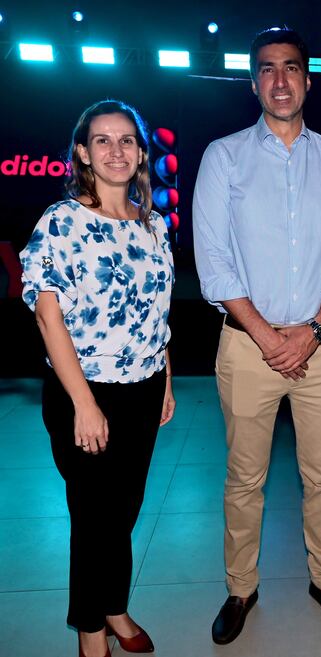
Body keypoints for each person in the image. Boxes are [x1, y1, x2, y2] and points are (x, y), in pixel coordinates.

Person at [193, 26, 321, 644]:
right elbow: (213, 262)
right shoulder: (223, 157)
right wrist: (270, 338)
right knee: (246, 478)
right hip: (247, 346)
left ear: (307, 78)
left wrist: (314, 331)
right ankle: (241, 589)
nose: (279, 79)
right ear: (253, 82)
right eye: (266, 69)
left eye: (290, 67)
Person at [19, 99, 175, 657]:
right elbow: (46, 313)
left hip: (145, 388)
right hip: (84, 394)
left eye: (127, 140)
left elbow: (156, 311)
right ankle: (91, 635)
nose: (116, 150)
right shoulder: (62, 222)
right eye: (103, 140)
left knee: (123, 513)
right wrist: (84, 403)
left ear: (140, 152)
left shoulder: (154, 224)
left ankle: (114, 606)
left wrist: (168, 380)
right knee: (93, 521)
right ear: (83, 152)